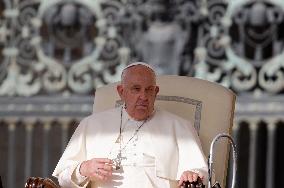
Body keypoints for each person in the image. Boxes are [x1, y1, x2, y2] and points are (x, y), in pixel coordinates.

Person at [53, 62, 208, 188]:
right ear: (121, 92)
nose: (143, 96)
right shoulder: (91, 125)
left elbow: (200, 173)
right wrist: (83, 169)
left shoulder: (180, 127)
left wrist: (192, 174)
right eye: (136, 89)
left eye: (149, 90)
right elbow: (63, 179)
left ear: (156, 92)